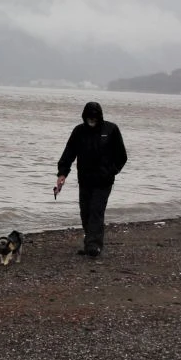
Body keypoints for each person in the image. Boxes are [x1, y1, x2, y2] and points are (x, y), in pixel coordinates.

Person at [53, 100, 127, 258]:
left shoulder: (111, 129)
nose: (92, 120)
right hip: (85, 180)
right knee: (85, 212)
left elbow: (121, 156)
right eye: (89, 117)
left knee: (96, 210)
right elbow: (68, 154)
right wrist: (62, 174)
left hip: (104, 181)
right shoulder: (78, 131)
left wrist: (111, 172)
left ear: (100, 116)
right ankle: (90, 243)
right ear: (84, 117)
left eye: (94, 117)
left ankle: (94, 246)